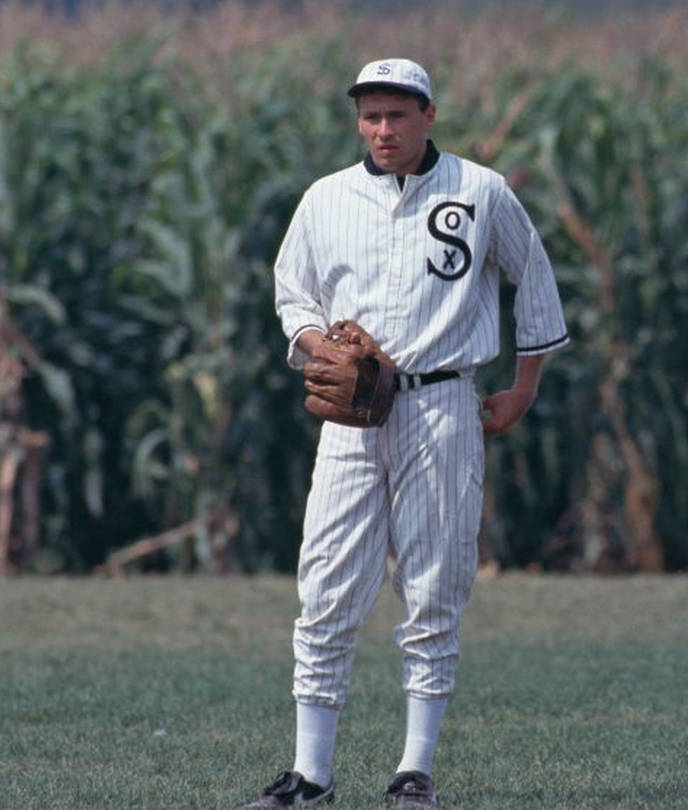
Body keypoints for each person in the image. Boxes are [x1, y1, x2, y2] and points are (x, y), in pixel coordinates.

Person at [236, 58, 569, 809]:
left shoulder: (479, 191)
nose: (383, 129)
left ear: (428, 115)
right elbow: (294, 293)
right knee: (324, 589)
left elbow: (536, 278)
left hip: (444, 405)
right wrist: (318, 347)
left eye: (397, 114)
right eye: (370, 115)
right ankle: (310, 776)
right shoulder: (327, 199)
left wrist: (523, 387)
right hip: (352, 416)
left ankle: (414, 772)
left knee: (434, 586)